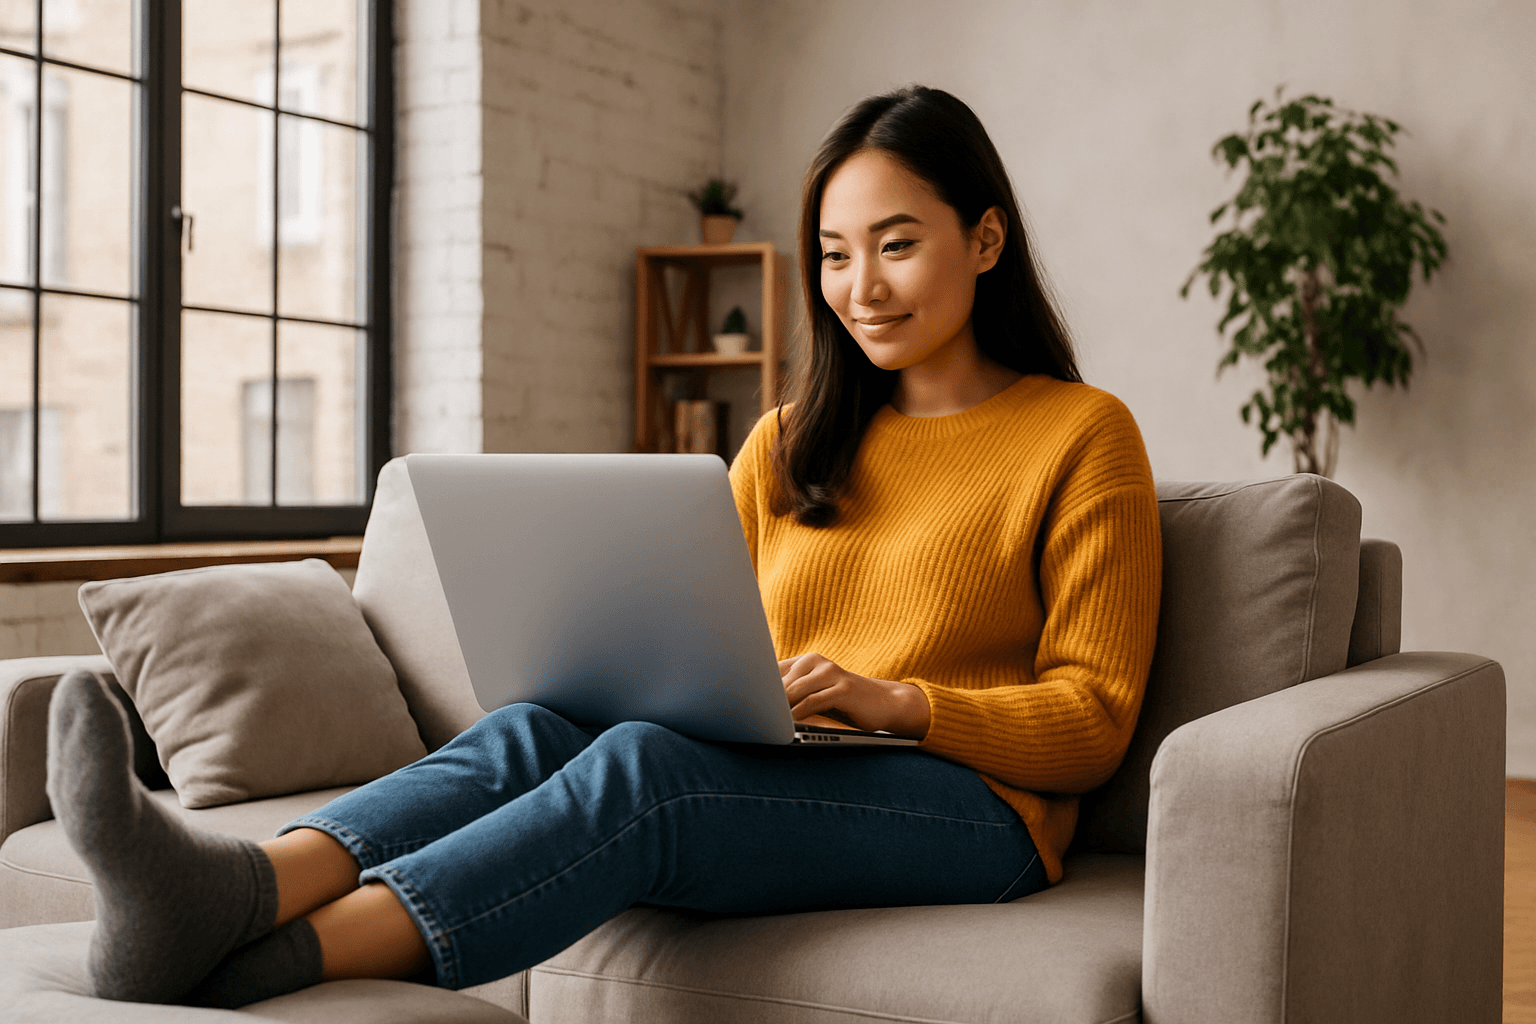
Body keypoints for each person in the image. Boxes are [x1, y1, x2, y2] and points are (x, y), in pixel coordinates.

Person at [44, 85, 1161, 1009]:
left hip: (975, 810)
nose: (859, 287)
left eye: (897, 245)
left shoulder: (1081, 432)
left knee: (645, 773)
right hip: (797, 762)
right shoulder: (786, 443)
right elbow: (702, 629)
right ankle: (234, 888)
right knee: (533, 727)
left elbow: (1097, 722)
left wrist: (899, 701)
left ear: (985, 237)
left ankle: (258, 966)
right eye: (832, 254)